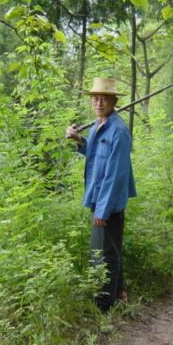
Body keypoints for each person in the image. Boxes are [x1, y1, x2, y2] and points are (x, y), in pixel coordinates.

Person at [66, 77, 137, 311]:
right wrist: (79, 140)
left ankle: (104, 306)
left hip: (107, 203)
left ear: (114, 101)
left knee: (104, 254)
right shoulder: (99, 126)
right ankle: (120, 295)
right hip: (97, 198)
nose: (98, 102)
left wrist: (103, 209)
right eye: (95, 98)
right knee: (109, 249)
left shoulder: (119, 131)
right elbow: (96, 155)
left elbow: (115, 174)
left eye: (104, 98)